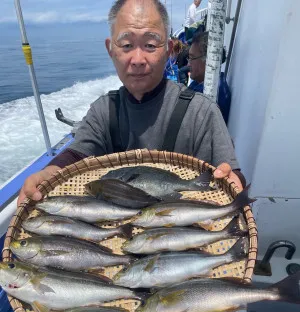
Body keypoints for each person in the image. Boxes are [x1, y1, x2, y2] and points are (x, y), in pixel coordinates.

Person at [18, 0, 244, 208]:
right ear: (110, 50)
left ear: (168, 50)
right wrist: (49, 172)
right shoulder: (103, 111)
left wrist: (233, 179)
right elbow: (77, 154)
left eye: (150, 45)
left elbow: (229, 174)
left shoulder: (202, 113)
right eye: (126, 45)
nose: (137, 60)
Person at [188, 30, 232, 124]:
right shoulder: (199, 83)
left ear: (208, 60)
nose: (188, 63)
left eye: (192, 58)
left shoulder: (211, 92)